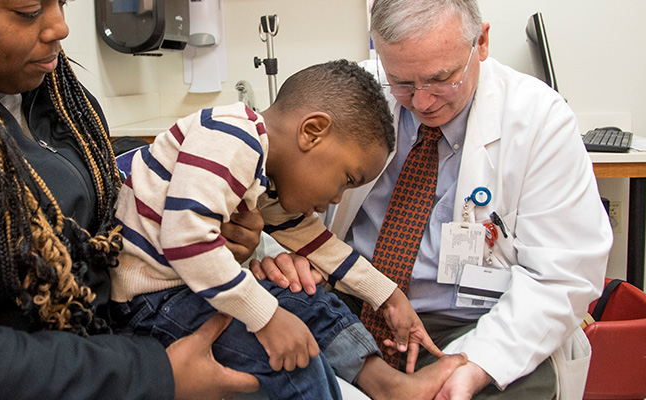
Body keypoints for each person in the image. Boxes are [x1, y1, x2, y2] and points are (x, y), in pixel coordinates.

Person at [0, 0, 265, 398]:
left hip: (123, 346)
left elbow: (105, 249)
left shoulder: (56, 96)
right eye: (27, 9)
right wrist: (154, 377)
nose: (60, 27)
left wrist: (201, 244)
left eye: (62, 2)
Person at [251, 0, 614, 399]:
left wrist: (476, 364)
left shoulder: (540, 119)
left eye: (442, 78)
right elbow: (275, 200)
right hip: (349, 302)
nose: (422, 102)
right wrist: (285, 258)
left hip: (472, 322)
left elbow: (562, 274)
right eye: (403, 82)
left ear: (482, 43)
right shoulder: (351, 95)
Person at [111, 59, 467, 400]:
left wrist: (388, 297)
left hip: (188, 290)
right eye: (345, 180)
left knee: (312, 304)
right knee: (293, 358)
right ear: (312, 132)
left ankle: (391, 388)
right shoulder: (231, 136)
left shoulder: (261, 174)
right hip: (155, 301)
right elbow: (186, 239)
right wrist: (268, 319)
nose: (335, 198)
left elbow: (318, 244)